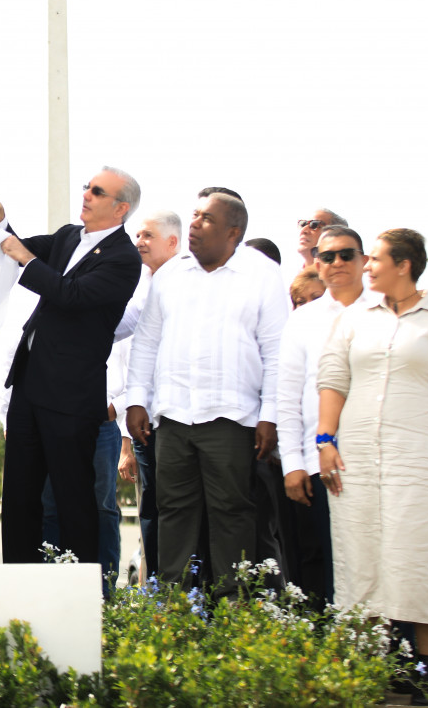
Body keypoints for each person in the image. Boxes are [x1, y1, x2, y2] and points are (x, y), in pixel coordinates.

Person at [317, 228, 428, 705]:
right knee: (363, 556)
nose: (367, 266)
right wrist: (325, 439)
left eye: (375, 259)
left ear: (404, 265)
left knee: (427, 557)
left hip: (426, 464)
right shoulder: (354, 319)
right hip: (358, 463)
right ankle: (373, 665)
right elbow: (332, 378)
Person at [126, 192, 289, 593]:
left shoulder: (262, 274)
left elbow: (277, 351)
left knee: (232, 514)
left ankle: (233, 609)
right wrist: (136, 400)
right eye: (195, 215)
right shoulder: (170, 275)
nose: (195, 224)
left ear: (233, 232)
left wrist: (270, 415)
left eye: (207, 219)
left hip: (233, 418)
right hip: (173, 417)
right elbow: (146, 341)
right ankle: (175, 607)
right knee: (173, 512)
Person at [0, 167, 142, 570]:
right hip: (30, 382)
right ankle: (19, 582)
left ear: (120, 208)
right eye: (87, 187)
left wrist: (27, 260)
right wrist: (0, 221)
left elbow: (72, 295)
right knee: (19, 494)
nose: (86, 194)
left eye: (98, 191)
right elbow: (18, 246)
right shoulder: (70, 236)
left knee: (73, 497)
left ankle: (82, 588)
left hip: (71, 395)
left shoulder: (124, 258)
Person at [276, 226, 376, 606]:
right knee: (326, 563)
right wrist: (293, 464)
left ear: (364, 261)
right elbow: (288, 396)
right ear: (317, 264)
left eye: (346, 254)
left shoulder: (386, 310)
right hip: (318, 461)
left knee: (379, 562)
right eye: (328, 256)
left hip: (378, 458)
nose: (337, 262)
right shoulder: (303, 319)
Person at [116, 210, 181, 580]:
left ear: (172, 242)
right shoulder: (139, 286)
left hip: (180, 419)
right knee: (151, 509)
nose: (139, 242)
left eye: (147, 235)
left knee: (179, 507)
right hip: (143, 422)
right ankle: (156, 589)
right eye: (137, 235)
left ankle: (189, 590)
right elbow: (120, 335)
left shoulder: (188, 283)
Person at [294, 208, 348, 272]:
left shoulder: (343, 276)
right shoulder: (294, 276)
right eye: (303, 224)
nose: (303, 230)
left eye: (314, 225)